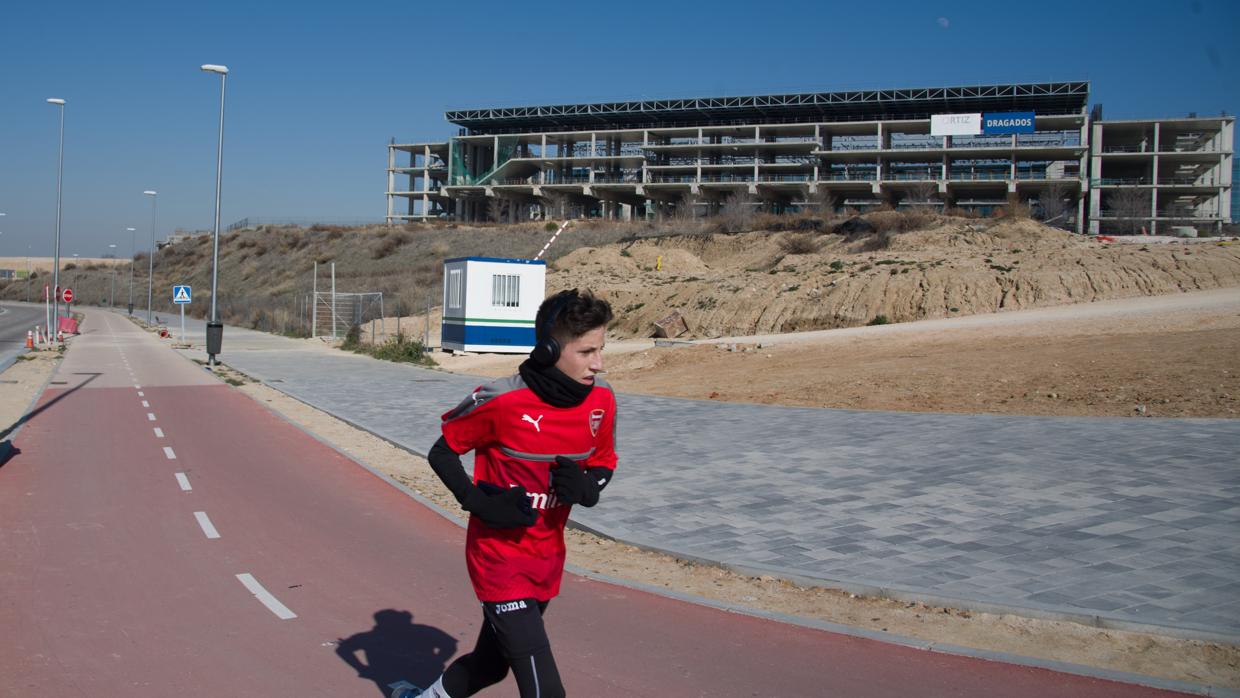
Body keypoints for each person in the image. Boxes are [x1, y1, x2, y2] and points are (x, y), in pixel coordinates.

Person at [418, 289, 618, 698]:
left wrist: (589, 487)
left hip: (546, 558)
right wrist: (477, 502)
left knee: (488, 669)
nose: (598, 363)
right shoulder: (503, 401)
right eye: (586, 352)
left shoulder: (602, 401)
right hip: (499, 559)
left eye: (601, 349)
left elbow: (604, 461)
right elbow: (442, 451)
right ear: (547, 350)